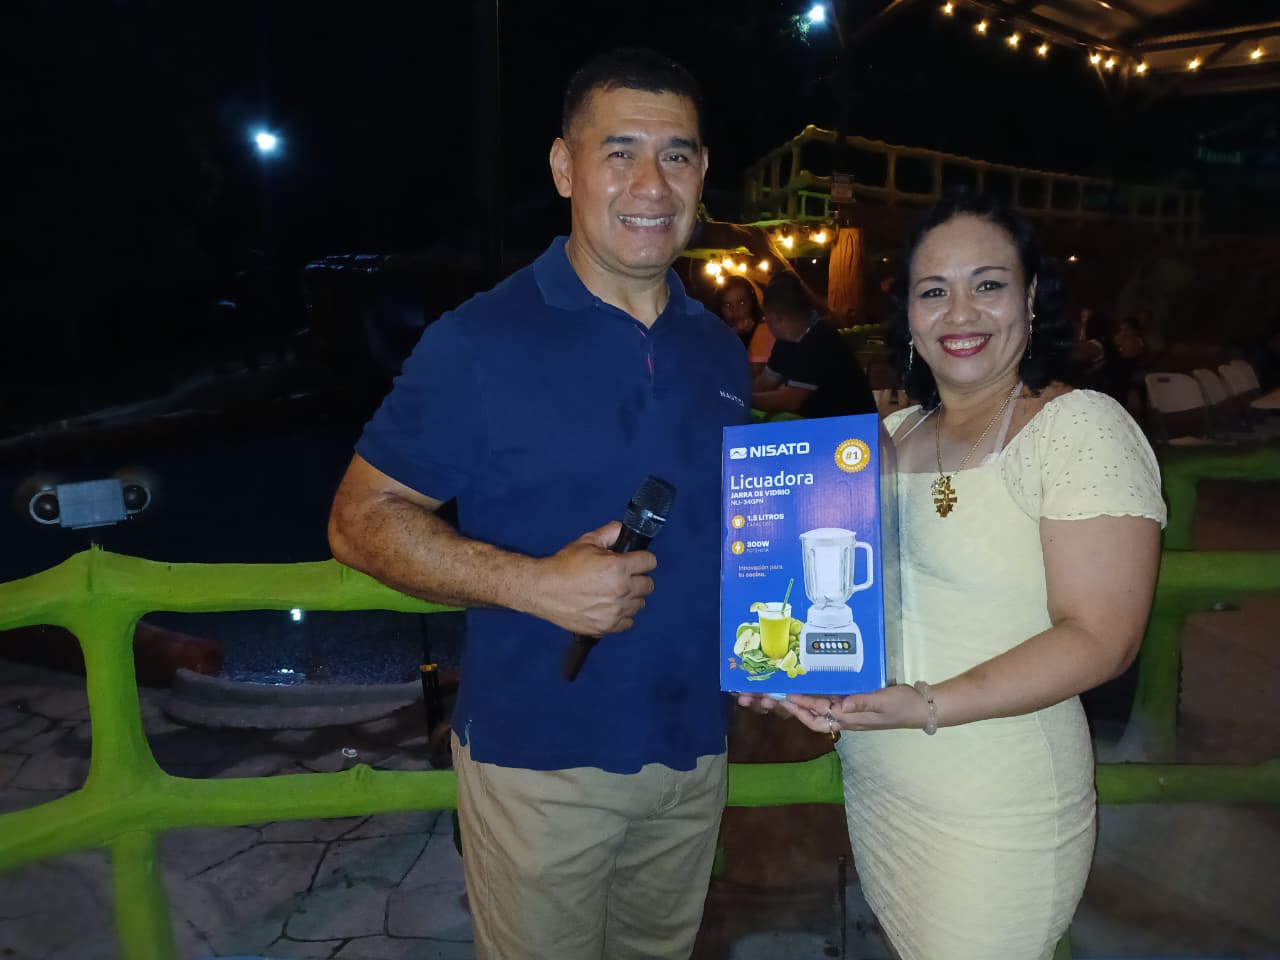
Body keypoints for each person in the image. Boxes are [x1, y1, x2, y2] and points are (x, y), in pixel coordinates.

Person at [327, 48, 749, 960]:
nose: (651, 183)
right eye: (619, 151)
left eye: (677, 155)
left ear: (702, 172)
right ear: (565, 167)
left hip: (695, 751)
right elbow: (359, 521)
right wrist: (536, 585)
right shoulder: (479, 341)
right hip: (540, 764)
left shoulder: (718, 348)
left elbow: (728, 535)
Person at [740, 191, 1165, 959]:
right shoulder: (889, 435)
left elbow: (1103, 638)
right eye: (933, 291)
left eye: (988, 284)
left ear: (1030, 299)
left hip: (998, 804)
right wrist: (789, 673)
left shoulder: (1079, 428)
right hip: (882, 785)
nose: (959, 312)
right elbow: (845, 607)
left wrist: (927, 704)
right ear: (908, 312)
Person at [751, 272, 876, 418]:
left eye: (765, 316)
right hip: (824, 424)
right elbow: (765, 382)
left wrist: (745, 401)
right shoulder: (785, 342)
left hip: (853, 425)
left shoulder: (820, 339)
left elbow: (791, 400)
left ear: (776, 318)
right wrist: (734, 395)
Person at [713, 273, 773, 376]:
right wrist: (734, 333)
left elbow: (754, 377)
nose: (735, 311)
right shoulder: (714, 332)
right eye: (728, 305)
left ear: (752, 303)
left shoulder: (765, 329)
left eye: (741, 303)